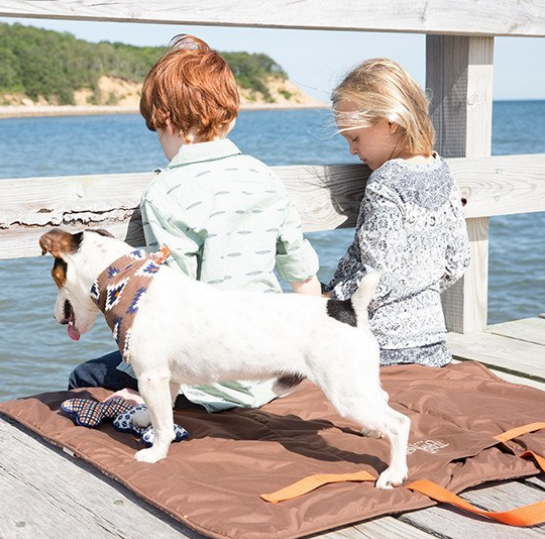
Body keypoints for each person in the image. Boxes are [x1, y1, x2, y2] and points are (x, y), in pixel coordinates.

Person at [69, 34, 321, 411]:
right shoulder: (264, 176)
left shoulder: (165, 193)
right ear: (230, 118)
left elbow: (171, 305)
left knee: (83, 378)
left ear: (165, 121)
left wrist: (141, 381)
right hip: (272, 370)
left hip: (207, 380)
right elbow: (304, 280)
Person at [323, 58, 471, 367]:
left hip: (379, 347)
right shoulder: (442, 170)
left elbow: (377, 277)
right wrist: (418, 290)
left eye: (355, 137)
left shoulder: (384, 184)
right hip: (433, 344)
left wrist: (329, 302)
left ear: (391, 121)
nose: (351, 150)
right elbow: (457, 263)